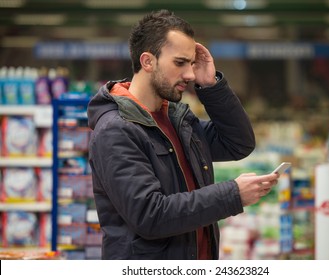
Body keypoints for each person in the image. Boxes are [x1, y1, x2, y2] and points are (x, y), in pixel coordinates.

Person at [87, 9, 279, 260]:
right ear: (147, 61)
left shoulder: (177, 119)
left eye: (191, 63)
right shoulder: (116, 130)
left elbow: (238, 144)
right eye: (180, 63)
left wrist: (211, 86)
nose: (189, 75)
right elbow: (150, 216)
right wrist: (232, 195)